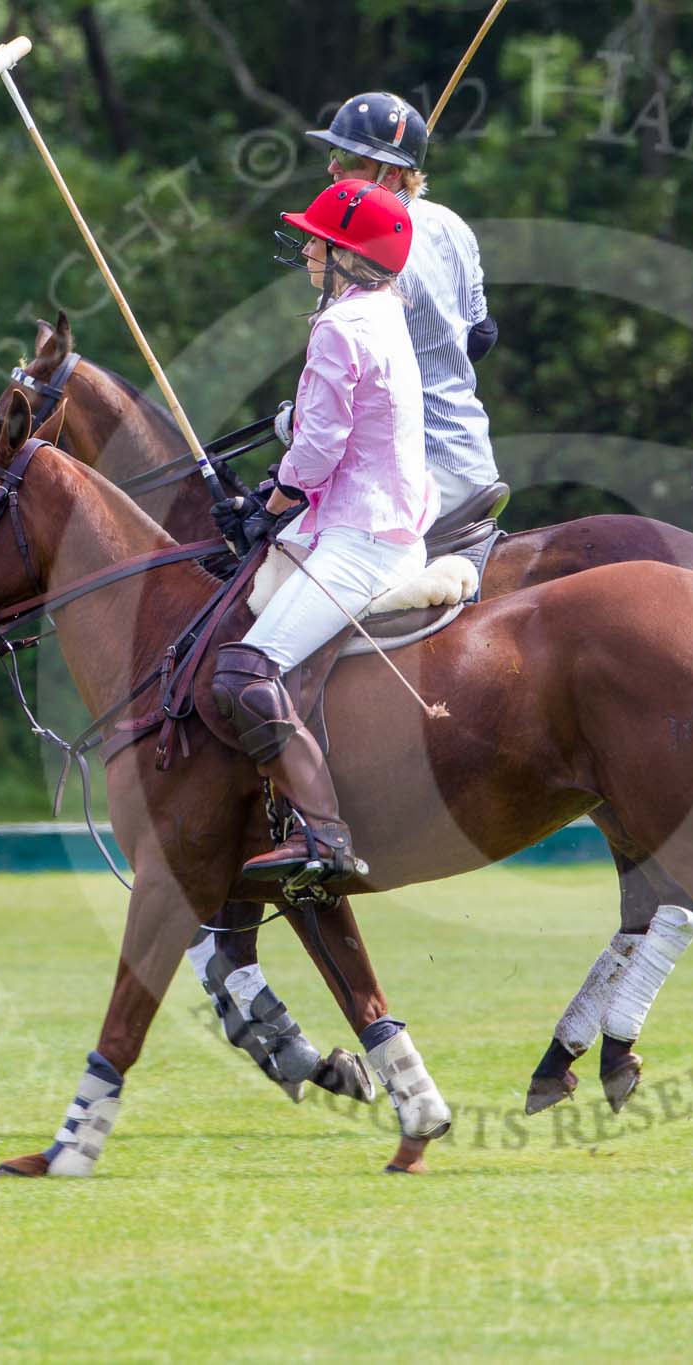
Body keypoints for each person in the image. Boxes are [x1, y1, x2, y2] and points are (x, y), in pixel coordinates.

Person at [210, 179, 436, 884]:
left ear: (351, 257)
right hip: (383, 522)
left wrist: (268, 504)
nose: (309, 246)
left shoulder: (339, 326)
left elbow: (320, 450)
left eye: (322, 240)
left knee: (244, 669)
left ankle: (323, 830)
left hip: (361, 541)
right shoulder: (382, 312)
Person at [303, 92, 500, 518]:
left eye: (349, 157)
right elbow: (482, 336)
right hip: (473, 457)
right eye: (334, 151)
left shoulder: (369, 253)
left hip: (415, 469)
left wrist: (297, 424)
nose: (332, 166)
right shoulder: (453, 225)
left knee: (283, 550)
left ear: (391, 174)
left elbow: (351, 383)